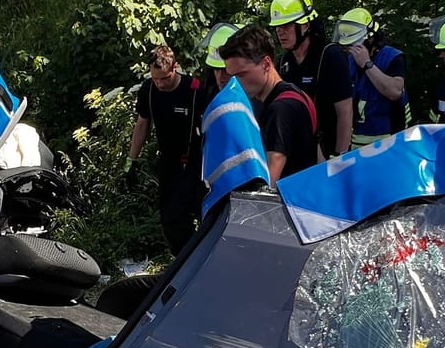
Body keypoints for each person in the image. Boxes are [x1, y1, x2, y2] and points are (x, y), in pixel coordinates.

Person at [126, 44, 205, 250]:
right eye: (155, 78)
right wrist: (131, 161)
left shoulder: (194, 89)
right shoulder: (149, 90)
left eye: (165, 78)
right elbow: (142, 124)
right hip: (168, 162)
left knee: (195, 212)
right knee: (170, 218)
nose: (160, 84)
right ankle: (184, 258)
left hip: (196, 162)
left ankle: (202, 255)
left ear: (175, 68)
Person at [219, 25, 319, 179]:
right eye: (231, 77)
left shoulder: (280, 109)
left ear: (266, 64)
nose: (235, 85)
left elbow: (268, 183)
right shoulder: (298, 94)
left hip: (287, 200)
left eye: (241, 75)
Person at [266, 0, 353, 157]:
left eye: (286, 26)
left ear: (305, 25)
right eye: (277, 28)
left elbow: (345, 112)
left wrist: (340, 157)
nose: (280, 32)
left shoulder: (330, 55)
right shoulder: (285, 62)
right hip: (300, 155)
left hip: (329, 152)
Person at [336, 8, 406, 148]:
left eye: (354, 44)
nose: (351, 49)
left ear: (371, 38)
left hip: (389, 144)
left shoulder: (392, 57)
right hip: (357, 146)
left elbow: (395, 92)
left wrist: (367, 65)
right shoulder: (350, 61)